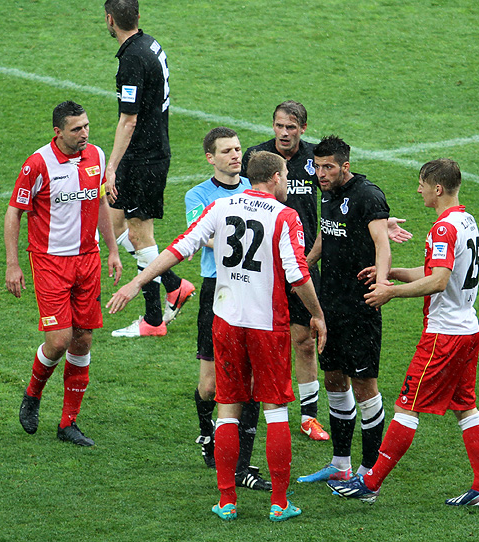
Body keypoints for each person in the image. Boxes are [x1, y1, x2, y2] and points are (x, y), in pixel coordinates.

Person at [107, 151, 327, 522]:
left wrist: (137, 282)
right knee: (275, 410)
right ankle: (279, 503)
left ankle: (227, 501)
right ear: (275, 177)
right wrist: (317, 314)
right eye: (287, 177)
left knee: (227, 409)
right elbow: (297, 274)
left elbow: (180, 247)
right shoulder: (285, 216)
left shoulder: (222, 207)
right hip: (267, 325)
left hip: (226, 322)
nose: (288, 183)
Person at [327, 158, 479, 508]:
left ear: (438, 188)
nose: (418, 190)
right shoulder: (465, 220)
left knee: (407, 406)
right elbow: (436, 270)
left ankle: (370, 482)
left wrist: (391, 293)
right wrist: (393, 272)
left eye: (422, 184)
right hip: (468, 329)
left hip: (443, 336)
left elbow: (439, 280)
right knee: (465, 407)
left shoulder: (443, 229)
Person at [5, 101, 122, 447]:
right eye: (76, 129)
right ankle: (33, 393)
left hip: (88, 259)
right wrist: (13, 264)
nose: (84, 133)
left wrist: (113, 250)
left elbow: (100, 202)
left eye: (86, 126)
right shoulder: (37, 164)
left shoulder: (96, 155)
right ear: (58, 132)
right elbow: (14, 213)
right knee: (58, 341)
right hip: (50, 262)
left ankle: (68, 423)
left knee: (83, 339)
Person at [297, 135, 392, 484]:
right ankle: (340, 464)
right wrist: (303, 267)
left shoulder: (367, 195)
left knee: (365, 386)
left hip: (360, 307)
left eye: (328, 167)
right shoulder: (327, 193)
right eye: (318, 167)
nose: (321, 173)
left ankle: (369, 472)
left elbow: (382, 243)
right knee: (334, 381)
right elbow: (325, 237)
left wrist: (382, 282)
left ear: (345, 166)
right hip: (330, 305)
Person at [103, 0, 194, 338]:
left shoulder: (132, 59)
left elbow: (129, 119)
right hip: (147, 152)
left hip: (144, 158)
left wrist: (111, 166)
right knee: (113, 222)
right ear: (138, 16)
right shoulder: (149, 43)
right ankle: (174, 284)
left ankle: (153, 321)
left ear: (110, 20)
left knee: (140, 234)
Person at [188, 127, 271, 491]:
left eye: (237, 149)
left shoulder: (254, 189)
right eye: (227, 151)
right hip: (217, 291)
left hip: (252, 291)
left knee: (250, 383)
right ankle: (207, 431)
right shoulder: (198, 195)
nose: (236, 155)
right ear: (211, 157)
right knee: (210, 386)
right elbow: (201, 236)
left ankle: (243, 466)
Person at [241, 101, 329, 441]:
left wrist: (310, 260)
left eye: (291, 127)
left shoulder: (315, 159)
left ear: (303, 128)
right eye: (279, 126)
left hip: (302, 263)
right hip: (261, 266)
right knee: (261, 341)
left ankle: (308, 417)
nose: (284, 133)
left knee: (305, 341)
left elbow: (334, 207)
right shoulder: (257, 157)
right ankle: (259, 409)